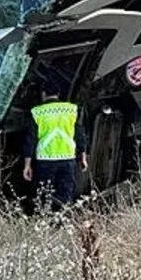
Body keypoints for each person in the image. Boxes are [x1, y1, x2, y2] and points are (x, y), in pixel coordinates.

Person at [23, 81, 88, 213]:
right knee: (65, 194)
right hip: (68, 160)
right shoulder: (71, 110)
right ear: (58, 94)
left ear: (43, 94)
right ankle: (61, 221)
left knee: (44, 194)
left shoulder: (37, 113)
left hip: (45, 161)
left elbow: (30, 140)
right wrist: (83, 157)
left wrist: (27, 165)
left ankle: (45, 221)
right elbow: (80, 135)